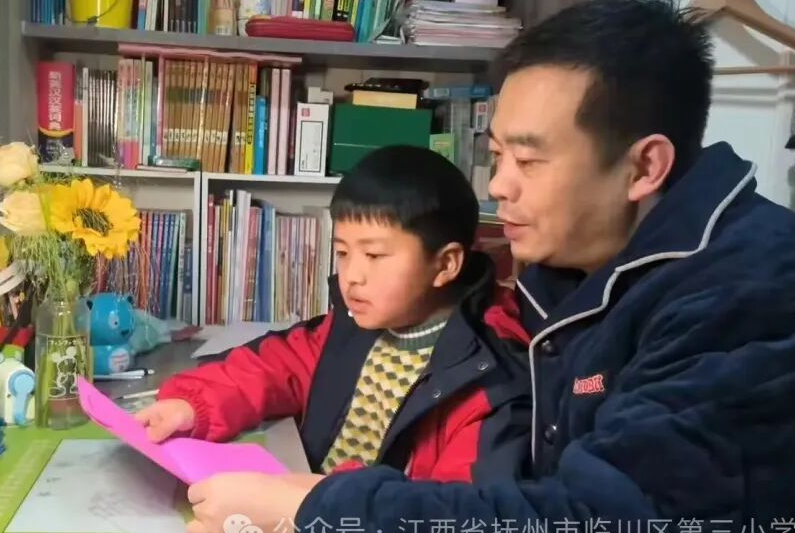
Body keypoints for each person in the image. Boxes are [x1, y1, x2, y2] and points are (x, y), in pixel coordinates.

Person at [182, 0, 795, 533]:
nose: (498, 185)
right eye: (496, 156)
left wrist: (316, 519)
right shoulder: (570, 268)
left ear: (644, 167)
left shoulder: (754, 296)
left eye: (528, 160)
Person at [137, 145, 532, 483]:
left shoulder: (486, 376)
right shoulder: (349, 326)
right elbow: (272, 367)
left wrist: (325, 500)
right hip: (301, 510)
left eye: (374, 255)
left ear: (445, 264)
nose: (352, 276)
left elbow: (454, 517)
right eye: (343, 252)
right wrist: (192, 406)